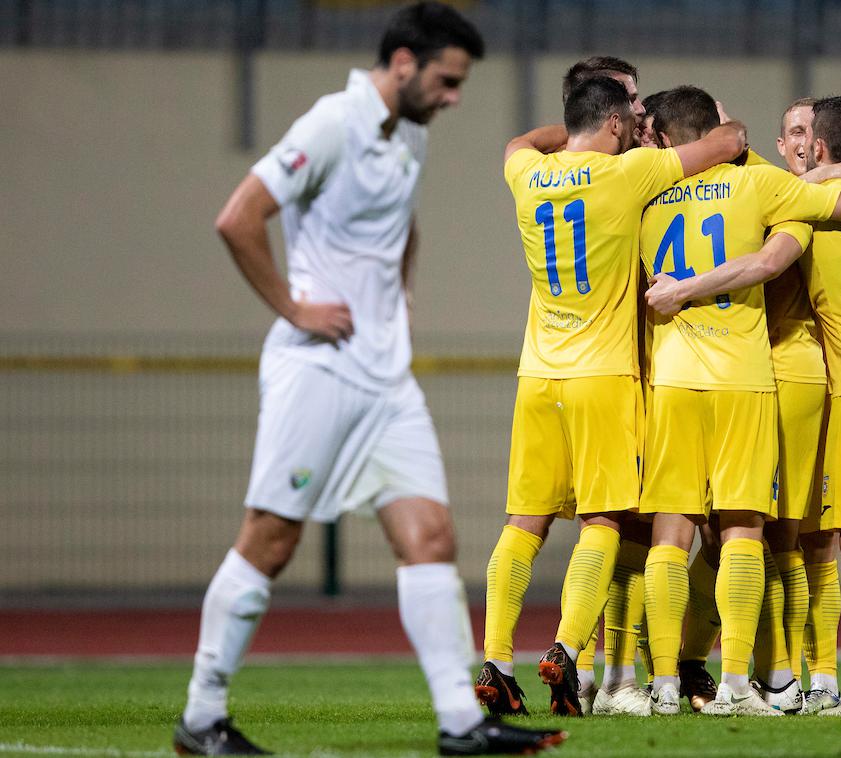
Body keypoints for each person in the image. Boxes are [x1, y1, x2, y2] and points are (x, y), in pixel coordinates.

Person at [174, 4, 565, 755]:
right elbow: (240, 217)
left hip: (386, 380)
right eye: (448, 81)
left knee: (431, 537)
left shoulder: (409, 133)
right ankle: (200, 717)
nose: (455, 97)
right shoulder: (333, 121)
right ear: (405, 64)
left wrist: (400, 301)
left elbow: (402, 224)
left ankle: (460, 722)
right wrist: (293, 306)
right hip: (318, 370)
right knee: (271, 540)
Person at [645, 94, 841, 718]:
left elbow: (768, 262)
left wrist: (682, 290)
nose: (793, 145)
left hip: (835, 381)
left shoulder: (795, 202)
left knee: (822, 537)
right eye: (785, 132)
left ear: (817, 146)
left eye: (803, 134)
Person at [476, 75, 747, 719]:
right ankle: (567, 650)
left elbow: (519, 140)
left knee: (523, 524)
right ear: (614, 122)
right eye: (626, 114)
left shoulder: (525, 173)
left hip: (538, 374)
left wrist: (572, 128)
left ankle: (493, 659)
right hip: (603, 375)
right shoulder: (628, 177)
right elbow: (728, 140)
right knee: (604, 522)